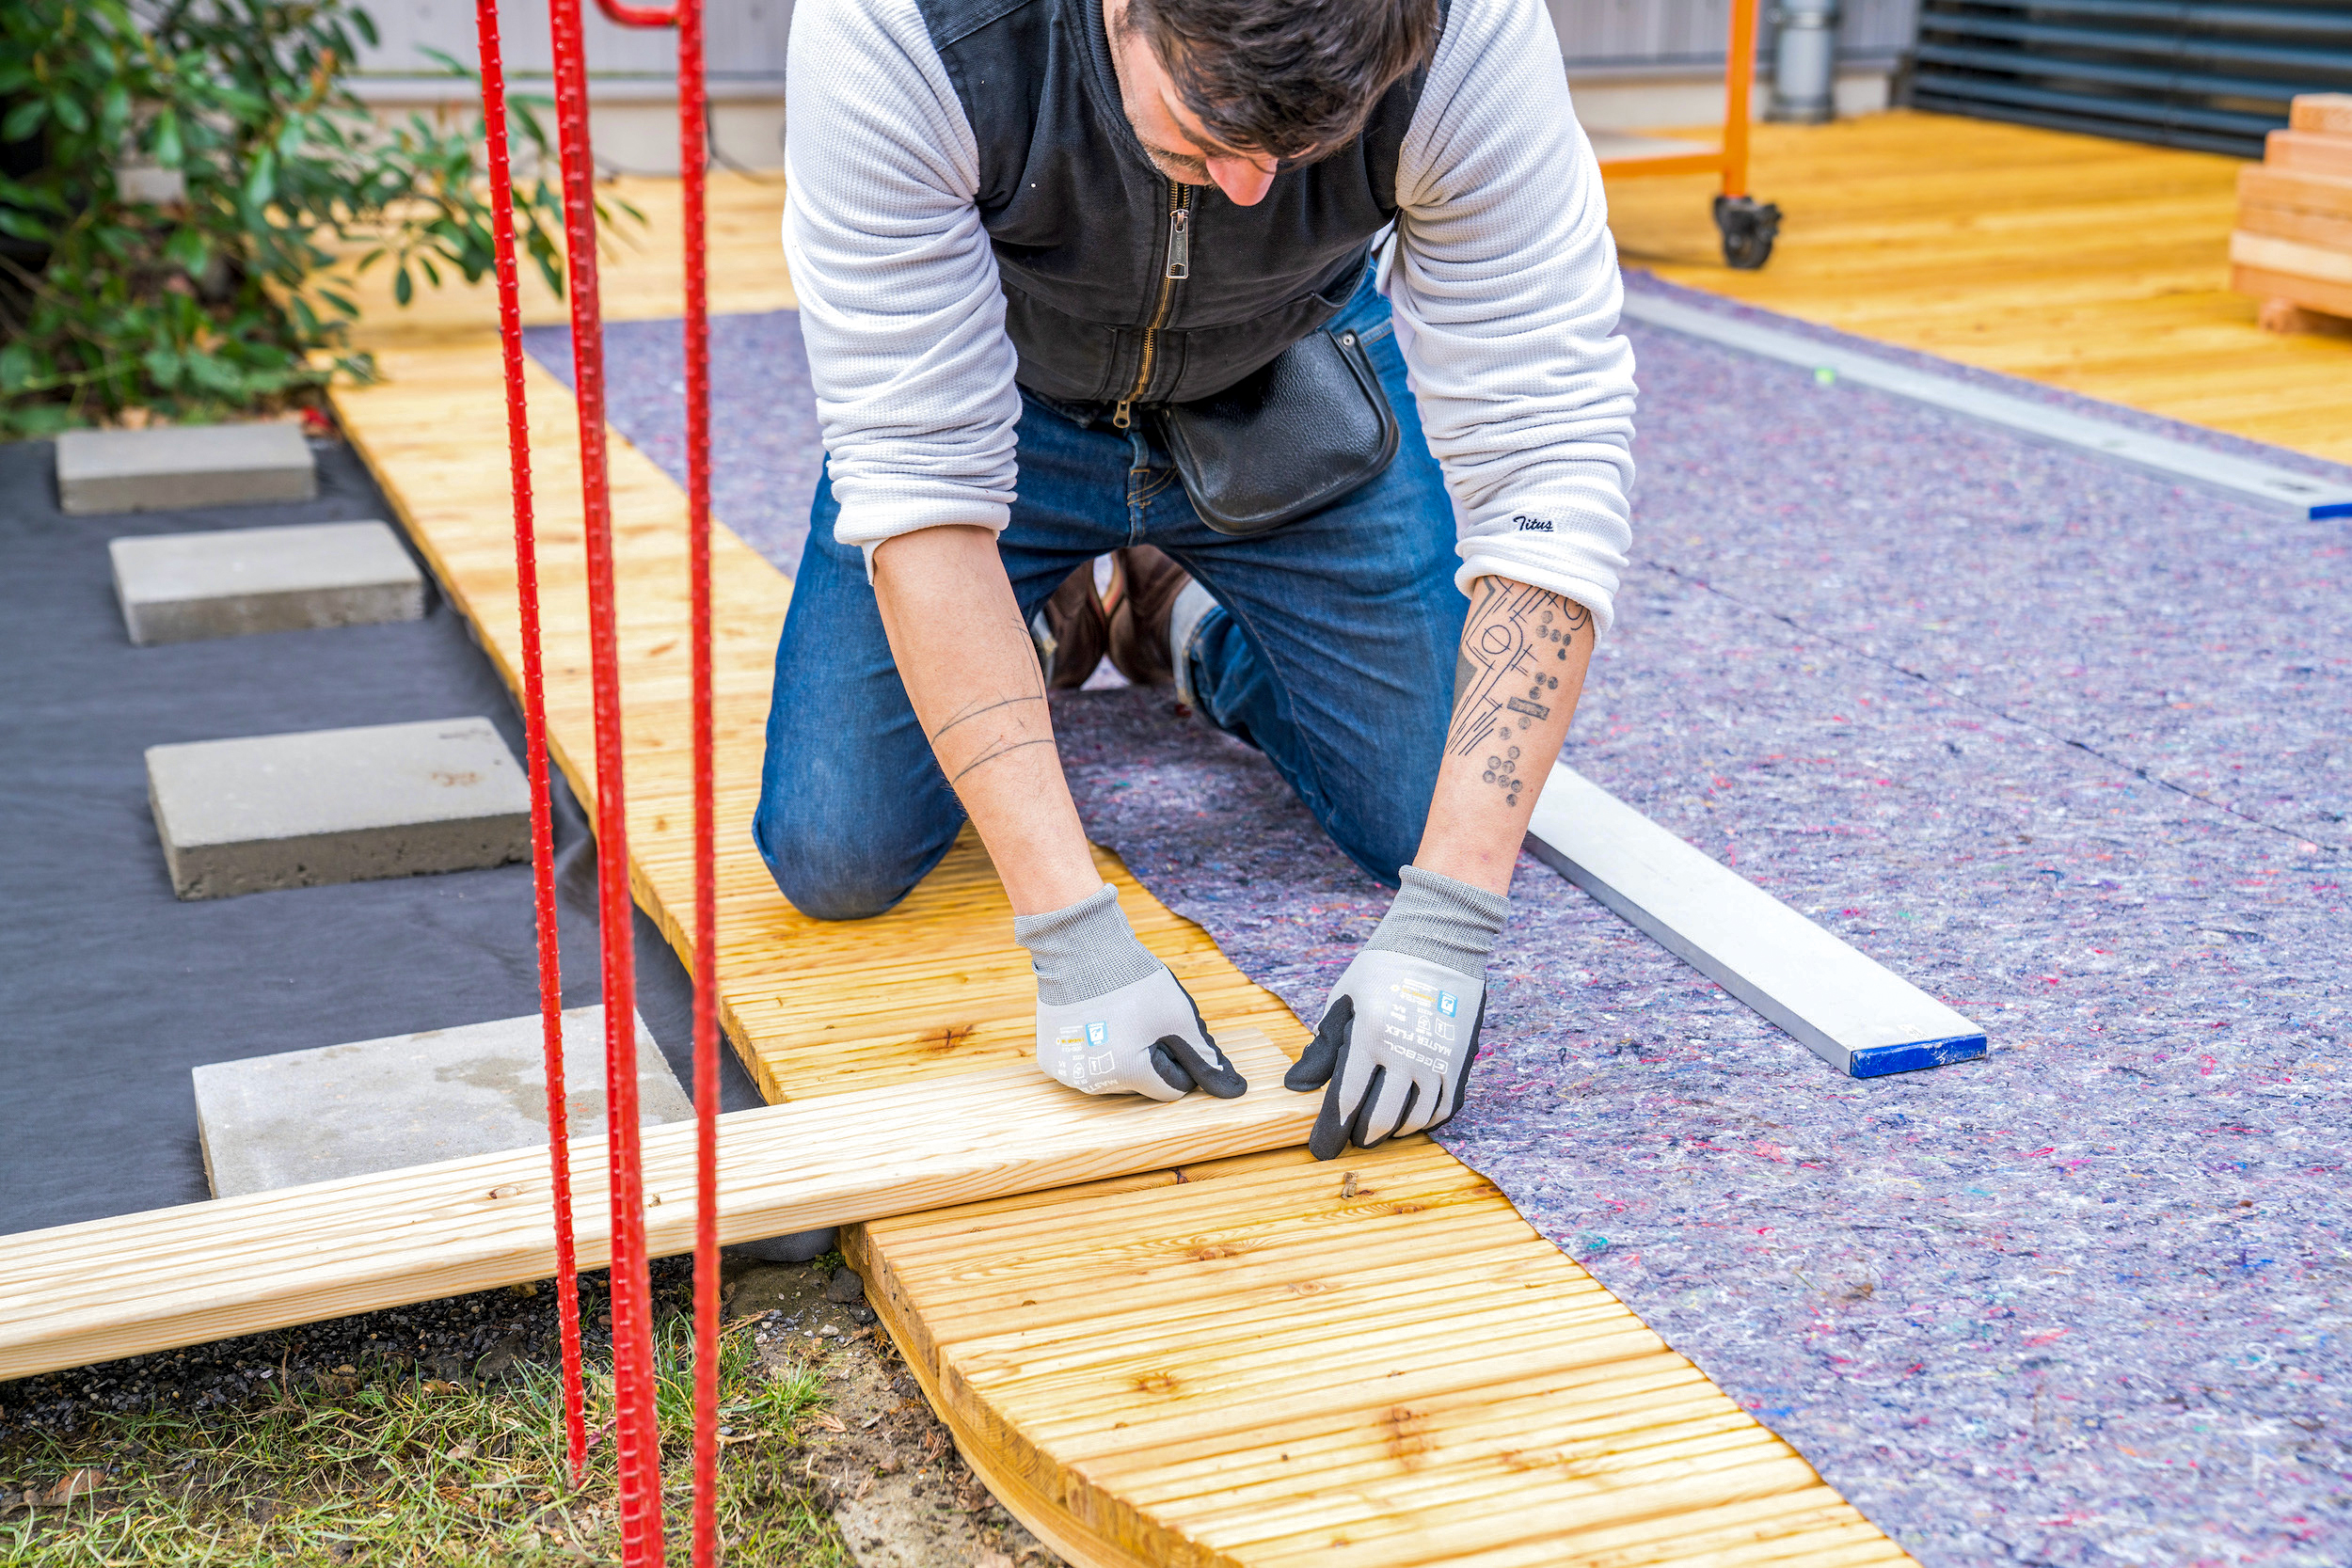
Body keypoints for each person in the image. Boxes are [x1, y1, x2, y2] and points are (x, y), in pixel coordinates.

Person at [756, 0, 1635, 1157]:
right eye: (1204, 135)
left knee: (1416, 821)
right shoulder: (902, 28)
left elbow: (1550, 448)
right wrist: (1071, 937)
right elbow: (918, 484)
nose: (1250, 190)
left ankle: (1176, 617)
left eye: (1300, 149)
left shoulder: (1467, 32)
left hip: (1285, 389)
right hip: (1000, 407)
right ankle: (1030, 609)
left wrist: (1448, 925)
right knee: (837, 853)